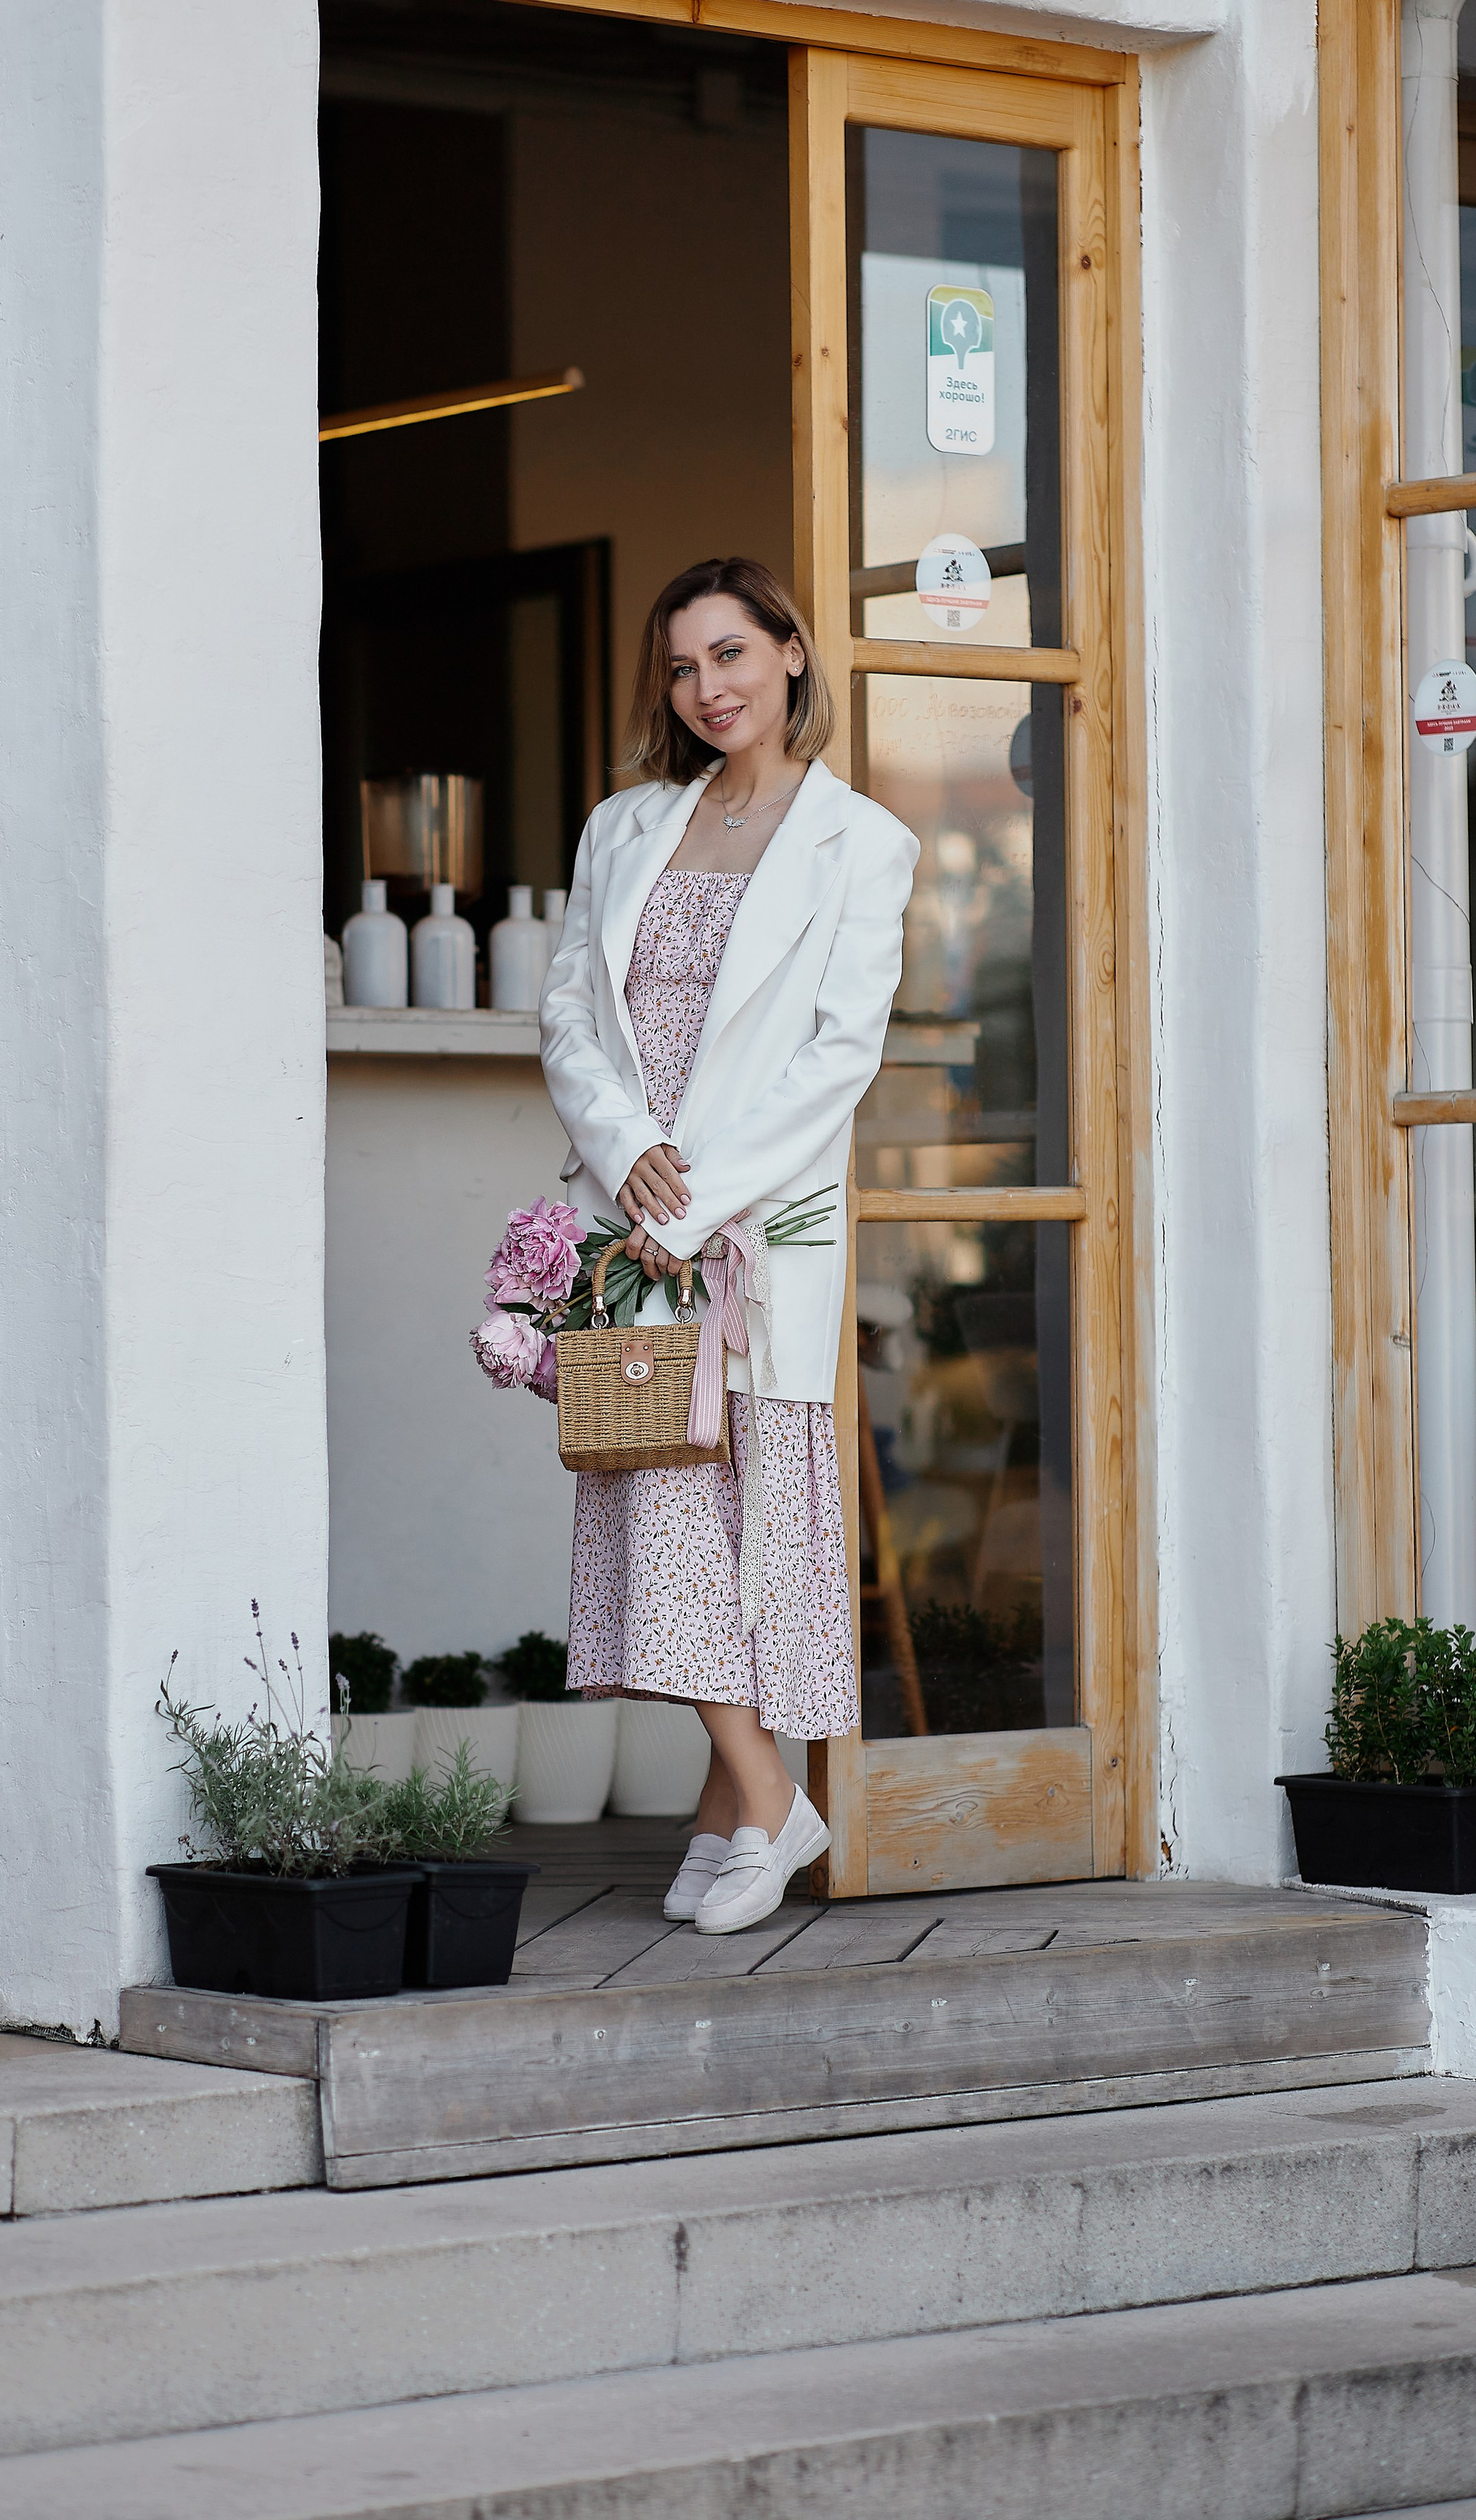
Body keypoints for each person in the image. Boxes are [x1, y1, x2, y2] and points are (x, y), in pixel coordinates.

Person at [539, 555, 918, 1933]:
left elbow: (839, 1058)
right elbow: (570, 1011)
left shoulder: (862, 842)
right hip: (637, 1219)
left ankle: (745, 1807)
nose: (708, 689)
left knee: (743, 1527)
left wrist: (693, 1202)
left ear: (793, 656)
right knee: (661, 1498)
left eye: (733, 657)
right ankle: (767, 1799)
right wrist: (623, 1148)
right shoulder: (623, 826)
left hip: (757, 1231)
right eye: (685, 668)